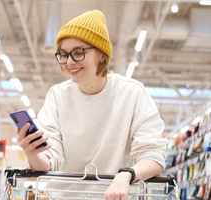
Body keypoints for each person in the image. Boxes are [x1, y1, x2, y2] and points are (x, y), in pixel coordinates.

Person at [17, 10, 167, 200]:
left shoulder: (132, 93)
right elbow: (48, 162)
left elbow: (154, 156)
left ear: (102, 55)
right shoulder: (57, 96)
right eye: (63, 54)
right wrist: (32, 154)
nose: (69, 62)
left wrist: (126, 175)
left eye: (78, 52)